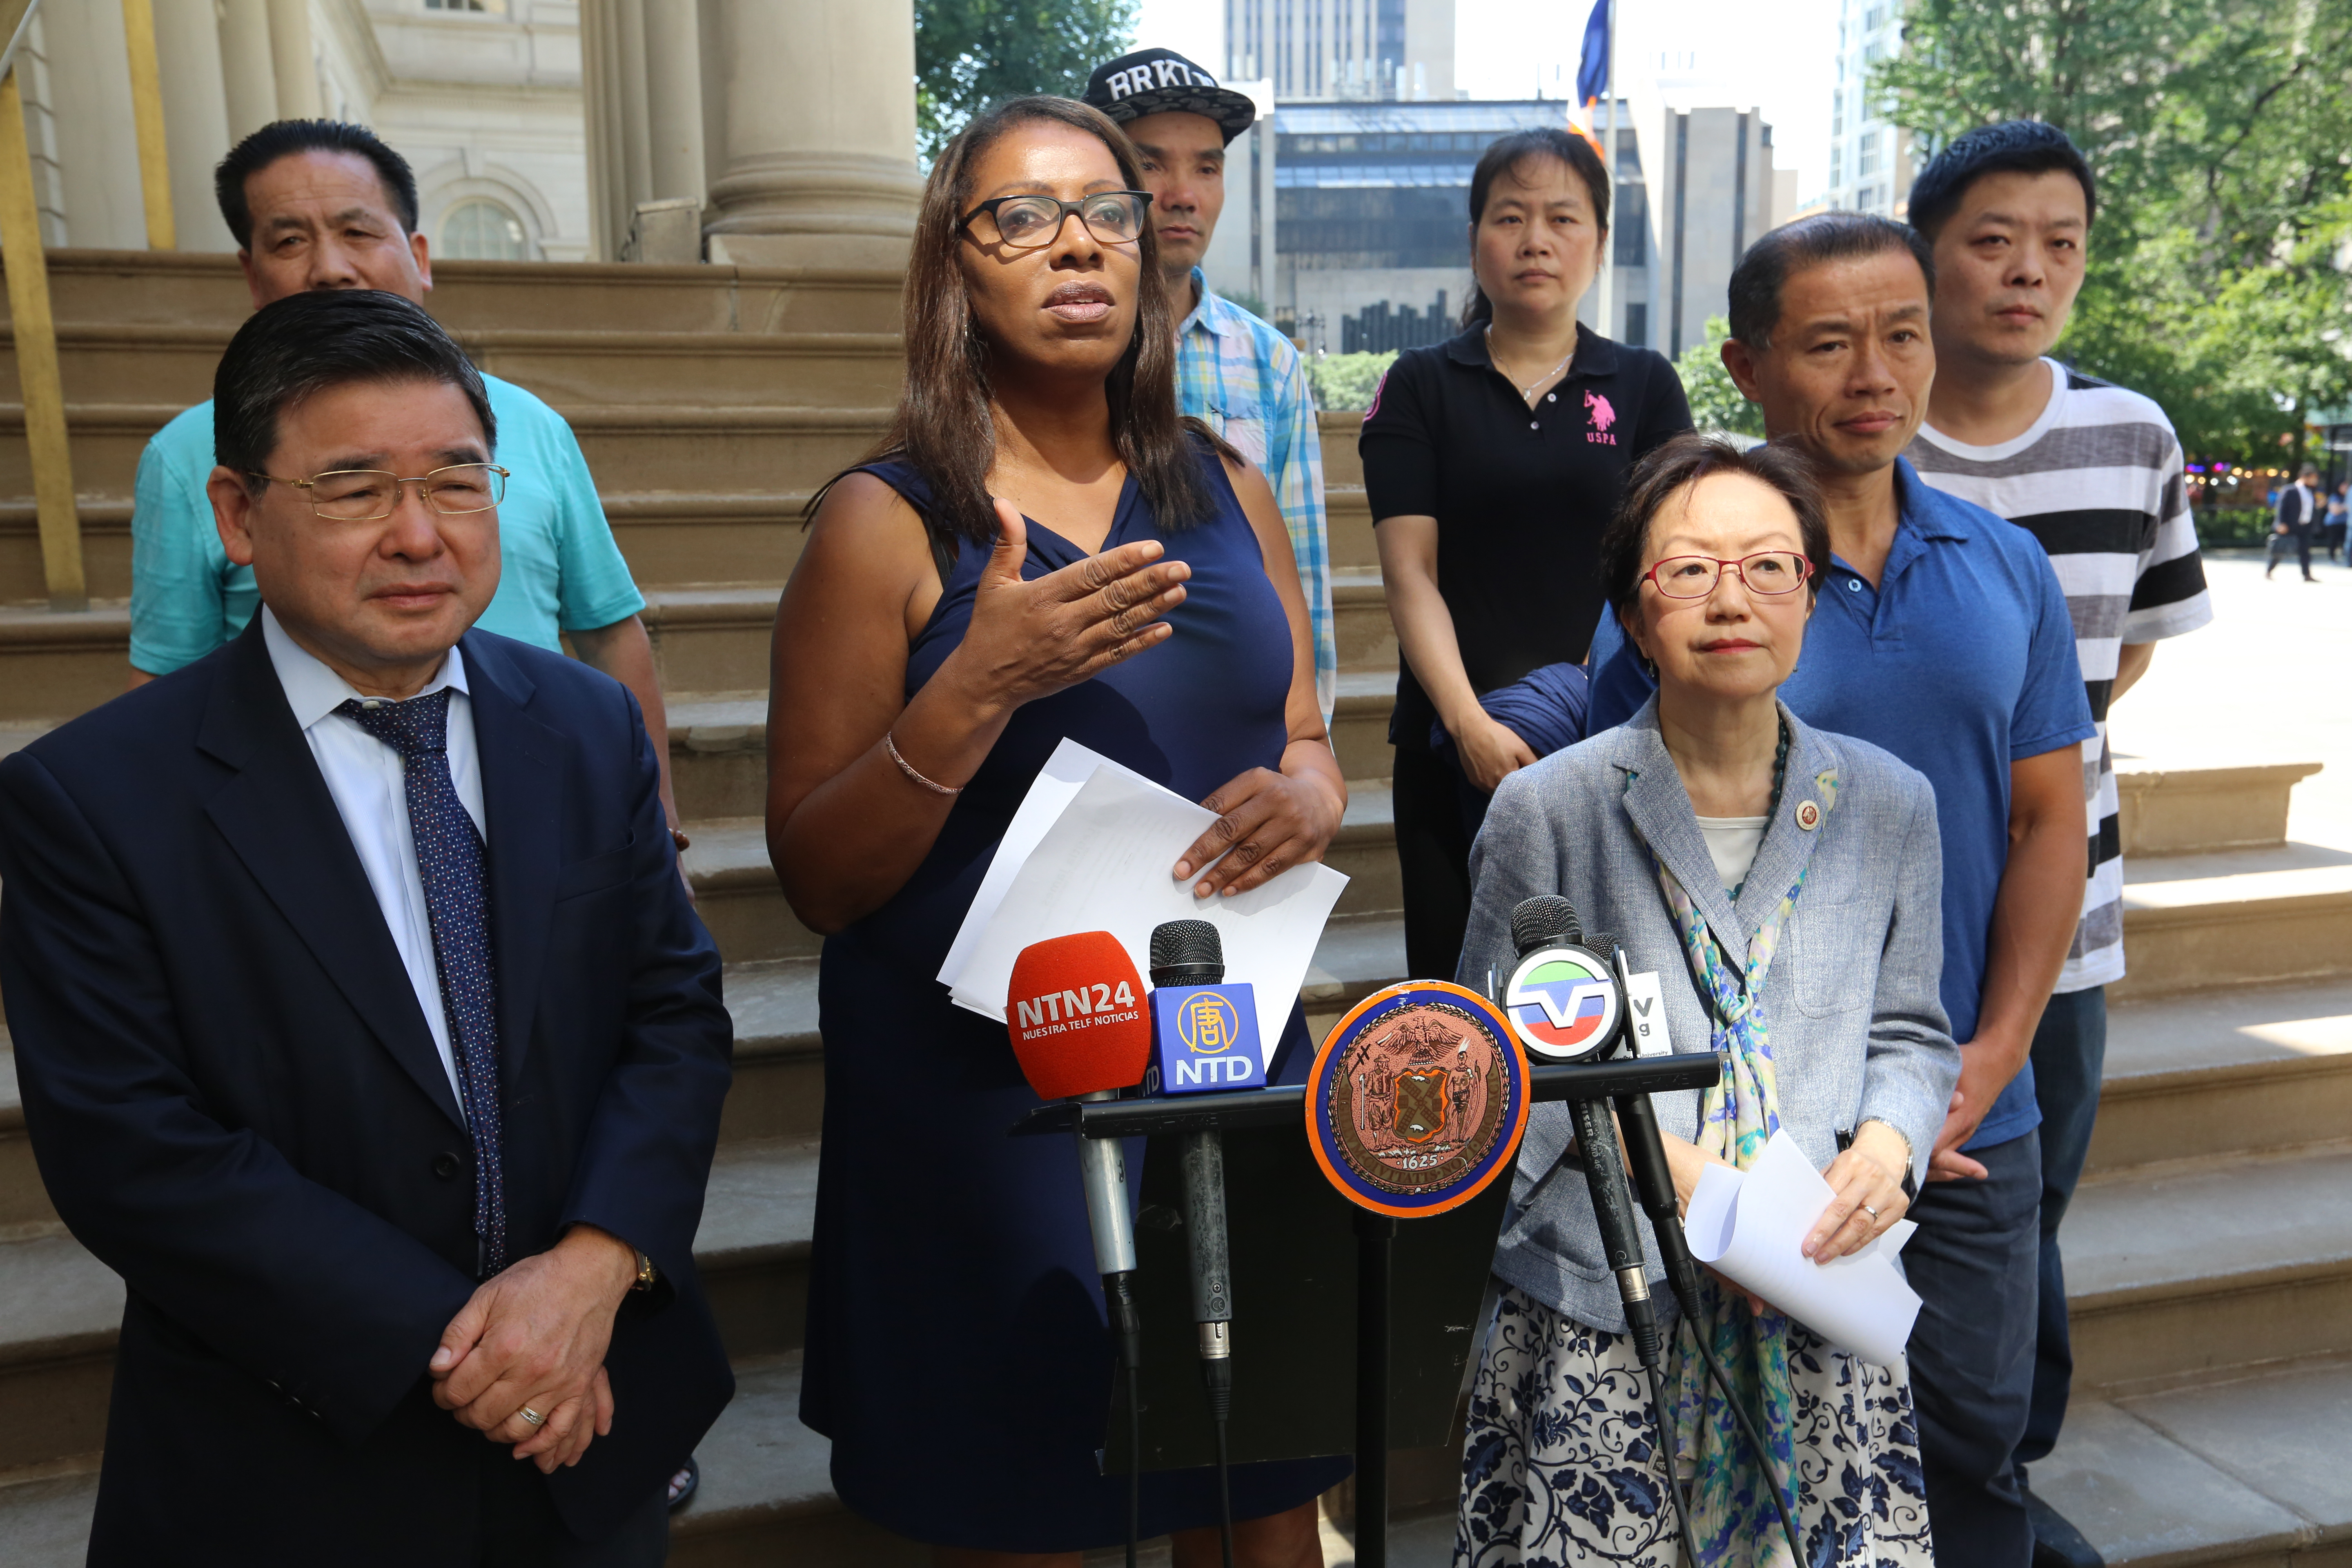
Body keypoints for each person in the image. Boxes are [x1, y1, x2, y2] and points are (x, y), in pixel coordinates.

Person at [0, 289, 735, 1565]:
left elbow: (671, 1012)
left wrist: (594, 1268)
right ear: (236, 517)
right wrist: (471, 1348)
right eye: (353, 491)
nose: (418, 537)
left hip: (588, 1421)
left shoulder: (583, 725)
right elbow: (134, 1146)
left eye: (456, 483)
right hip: (295, 1460)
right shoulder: (94, 797)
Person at [768, 96, 1349, 1566]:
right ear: (950, 266)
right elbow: (818, 874)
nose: (1076, 242)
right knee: (1030, 1505)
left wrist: (1310, 789)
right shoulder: (883, 522)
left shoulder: (1223, 484)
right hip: (990, 1101)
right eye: (1018, 216)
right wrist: (975, 692)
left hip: (1220, 1045)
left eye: (1104, 209)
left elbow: (1296, 727)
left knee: (1266, 1498)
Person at [1587, 214, 2095, 1565]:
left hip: (1976, 1115)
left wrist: (1982, 1062)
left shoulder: (2005, 569)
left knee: (1970, 1456)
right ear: (1749, 368)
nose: (1876, 370)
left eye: (1904, 331)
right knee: (1760, 1471)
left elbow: (2053, 823)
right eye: (1829, 341)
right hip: (1759, 1127)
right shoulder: (1693, 580)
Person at [1454, 433, 1958, 1566]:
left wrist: (1884, 1151)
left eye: (1768, 566)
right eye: (1688, 569)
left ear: (1809, 599)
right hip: (1607, 1291)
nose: (1731, 597)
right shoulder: (1549, 811)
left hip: (1818, 1281)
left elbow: (1914, 1034)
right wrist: (1709, 1199)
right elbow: (1495, 1072)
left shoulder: (1891, 804)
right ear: (1635, 619)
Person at [1902, 120, 2214, 1568]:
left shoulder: (2130, 435)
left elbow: (2123, 657)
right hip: (1875, 907)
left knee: (2026, 1211)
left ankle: (1998, 1471)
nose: (2029, 271)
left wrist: (2033, 754)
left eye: (2061, 244)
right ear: (1927, 251)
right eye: (1992, 239)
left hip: (2061, 914)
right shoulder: (1855, 420)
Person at [127, 118, 684, 834]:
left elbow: (609, 633)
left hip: (539, 792)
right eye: (290, 239)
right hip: (308, 815)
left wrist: (658, 822)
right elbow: (168, 677)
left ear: (418, 255)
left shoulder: (533, 425)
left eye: (358, 233)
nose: (329, 268)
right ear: (250, 271)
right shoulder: (184, 455)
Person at [1363, 126, 1693, 985]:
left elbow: (1665, 558)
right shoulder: (1420, 385)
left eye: (1562, 218)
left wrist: (1582, 705)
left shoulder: (1644, 384)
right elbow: (1410, 574)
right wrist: (1473, 725)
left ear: (1599, 242)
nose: (1536, 240)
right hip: (1451, 747)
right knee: (1458, 993)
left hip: (1618, 735)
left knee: (1614, 983)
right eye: (1510, 217)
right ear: (1475, 239)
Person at [1083, 46, 1337, 722]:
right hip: (1083, 712)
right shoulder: (1053, 353)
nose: (1183, 194)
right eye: (1149, 163)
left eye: (1207, 166)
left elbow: (1301, 577)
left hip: (1240, 727)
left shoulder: (1268, 363)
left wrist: (1307, 753)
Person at [2266, 461, 2322, 580]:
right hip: (2289, 525)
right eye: (2313, 478)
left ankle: (2306, 574)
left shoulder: (2311, 491)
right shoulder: (2290, 490)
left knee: (2305, 551)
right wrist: (2280, 523)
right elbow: (2281, 507)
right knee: (2280, 549)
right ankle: (2269, 570)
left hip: (2305, 525)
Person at [2328, 477, 2349, 562]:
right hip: (2334, 523)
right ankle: (2332, 558)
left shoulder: (2348, 497)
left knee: (2346, 541)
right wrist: (2345, 507)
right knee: (2334, 541)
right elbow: (2335, 511)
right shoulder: (2335, 497)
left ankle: (2346, 558)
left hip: (2345, 522)